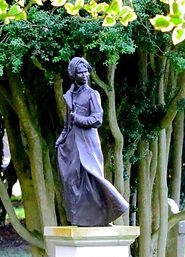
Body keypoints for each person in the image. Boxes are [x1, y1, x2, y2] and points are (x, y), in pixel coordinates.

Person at [55, 57, 130, 226]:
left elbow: (97, 119)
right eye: (81, 72)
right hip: (73, 142)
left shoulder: (92, 94)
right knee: (73, 179)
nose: (85, 74)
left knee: (93, 178)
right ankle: (79, 218)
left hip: (88, 143)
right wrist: (61, 139)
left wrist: (79, 118)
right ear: (73, 74)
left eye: (86, 71)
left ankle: (105, 215)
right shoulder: (69, 95)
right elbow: (67, 123)